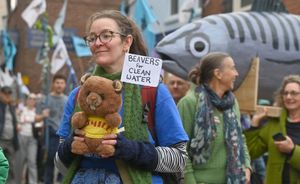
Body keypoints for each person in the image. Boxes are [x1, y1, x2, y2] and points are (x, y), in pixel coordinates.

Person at [55, 10, 189, 184]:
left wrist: (128, 149)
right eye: (92, 38)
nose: (97, 43)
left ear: (127, 42)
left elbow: (179, 159)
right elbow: (59, 163)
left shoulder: (152, 91)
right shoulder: (79, 94)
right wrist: (72, 145)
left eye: (106, 35)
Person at [177, 52, 251, 184]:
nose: (236, 74)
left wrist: (246, 166)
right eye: (232, 68)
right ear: (218, 74)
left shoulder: (232, 104)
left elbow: (240, 138)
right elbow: (180, 149)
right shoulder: (189, 102)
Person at [244, 74, 300, 184]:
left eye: (294, 93)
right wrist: (254, 124)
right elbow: (251, 152)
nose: (288, 97)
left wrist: (292, 150)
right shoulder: (274, 124)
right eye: (285, 93)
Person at [14, 93, 49, 184]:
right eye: (30, 98)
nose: (32, 100)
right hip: (21, 137)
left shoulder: (37, 111)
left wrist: (28, 119)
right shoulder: (22, 109)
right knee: (19, 163)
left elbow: (39, 124)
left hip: (32, 139)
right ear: (27, 100)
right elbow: (19, 119)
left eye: (34, 99)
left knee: (32, 162)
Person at [40, 74, 67, 184]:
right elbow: (36, 117)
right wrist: (43, 115)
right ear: (53, 84)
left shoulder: (67, 99)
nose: (59, 85)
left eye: (61, 83)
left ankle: (62, 181)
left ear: (65, 85)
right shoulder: (46, 99)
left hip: (64, 134)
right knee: (50, 160)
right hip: (50, 133)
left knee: (64, 160)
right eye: (57, 83)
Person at [0, 86, 19, 184]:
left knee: (11, 166)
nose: (7, 96)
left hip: (11, 140)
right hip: (1, 140)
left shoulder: (11, 107)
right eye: (5, 94)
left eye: (9, 94)